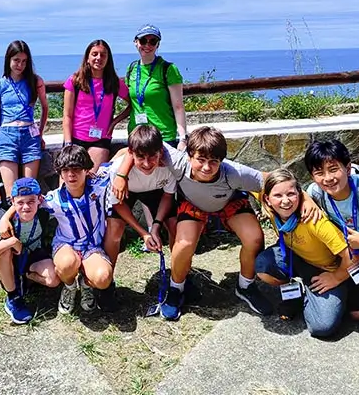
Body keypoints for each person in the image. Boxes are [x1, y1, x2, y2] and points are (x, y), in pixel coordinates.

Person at [113, 126, 321, 321]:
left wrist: (306, 197)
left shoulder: (234, 172)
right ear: (189, 155)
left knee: (255, 237)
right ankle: (177, 288)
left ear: (222, 160)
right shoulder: (175, 160)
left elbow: (272, 179)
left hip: (228, 202)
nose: (206, 167)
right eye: (201, 159)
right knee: (183, 244)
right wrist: (121, 174)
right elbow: (140, 144)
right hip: (193, 205)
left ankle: (246, 286)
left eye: (213, 161)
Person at [305, 139, 359, 376]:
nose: (328, 178)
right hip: (358, 256)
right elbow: (297, 195)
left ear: (348, 166)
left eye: (334, 169)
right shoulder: (316, 193)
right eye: (319, 172)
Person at [255, 168, 359, 337]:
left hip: (330, 268)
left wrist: (336, 278)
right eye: (278, 196)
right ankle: (296, 293)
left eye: (291, 194)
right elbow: (248, 174)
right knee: (263, 266)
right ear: (267, 198)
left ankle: (327, 291)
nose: (285, 201)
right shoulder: (271, 206)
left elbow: (352, 257)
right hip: (298, 257)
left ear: (299, 194)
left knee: (322, 327)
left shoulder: (314, 220)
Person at [101, 125, 175, 309]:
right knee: (114, 231)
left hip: (157, 190)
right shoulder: (118, 169)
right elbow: (118, 203)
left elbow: (168, 196)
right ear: (131, 154)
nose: (147, 163)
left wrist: (156, 225)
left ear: (161, 152)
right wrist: (144, 233)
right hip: (126, 191)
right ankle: (106, 284)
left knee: (175, 226)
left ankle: (178, 281)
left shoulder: (170, 164)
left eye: (153, 157)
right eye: (141, 157)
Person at [0, 178, 59, 324]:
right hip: (10, 259)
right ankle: (13, 297)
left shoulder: (43, 212)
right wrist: (11, 242)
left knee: (53, 280)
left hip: (31, 254)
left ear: (39, 200)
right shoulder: (4, 223)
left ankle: (26, 277)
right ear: (13, 202)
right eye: (20, 203)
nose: (26, 207)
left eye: (31, 202)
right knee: (4, 251)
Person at [43, 145, 112, 315]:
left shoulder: (99, 186)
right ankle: (69, 286)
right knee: (66, 264)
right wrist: (6, 218)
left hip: (92, 247)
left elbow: (126, 154)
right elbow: (26, 201)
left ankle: (86, 284)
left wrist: (122, 177)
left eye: (76, 169)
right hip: (66, 245)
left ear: (86, 169)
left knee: (103, 278)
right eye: (65, 170)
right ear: (60, 172)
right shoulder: (53, 199)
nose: (71, 174)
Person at [62, 39, 130, 172]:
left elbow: (132, 105)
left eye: (103, 55)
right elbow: (67, 115)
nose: (99, 58)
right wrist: (68, 143)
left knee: (92, 182)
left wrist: (114, 122)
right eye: (94, 54)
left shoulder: (114, 83)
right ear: (87, 58)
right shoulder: (75, 81)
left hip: (101, 139)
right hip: (76, 138)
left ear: (108, 59)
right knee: (68, 184)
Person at [0, 41, 49, 196]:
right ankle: (11, 221)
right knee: (11, 192)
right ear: (8, 60)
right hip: (7, 136)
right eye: (16, 60)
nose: (20, 65)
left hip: (29, 136)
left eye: (24, 61)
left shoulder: (35, 81)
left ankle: (30, 221)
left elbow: (45, 107)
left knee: (29, 190)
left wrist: (40, 133)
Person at [126, 25, 187, 148]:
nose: (147, 45)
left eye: (152, 41)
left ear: (158, 44)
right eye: (143, 41)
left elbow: (178, 106)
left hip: (163, 136)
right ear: (135, 42)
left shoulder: (168, 69)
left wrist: (182, 138)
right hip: (137, 136)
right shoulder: (132, 68)